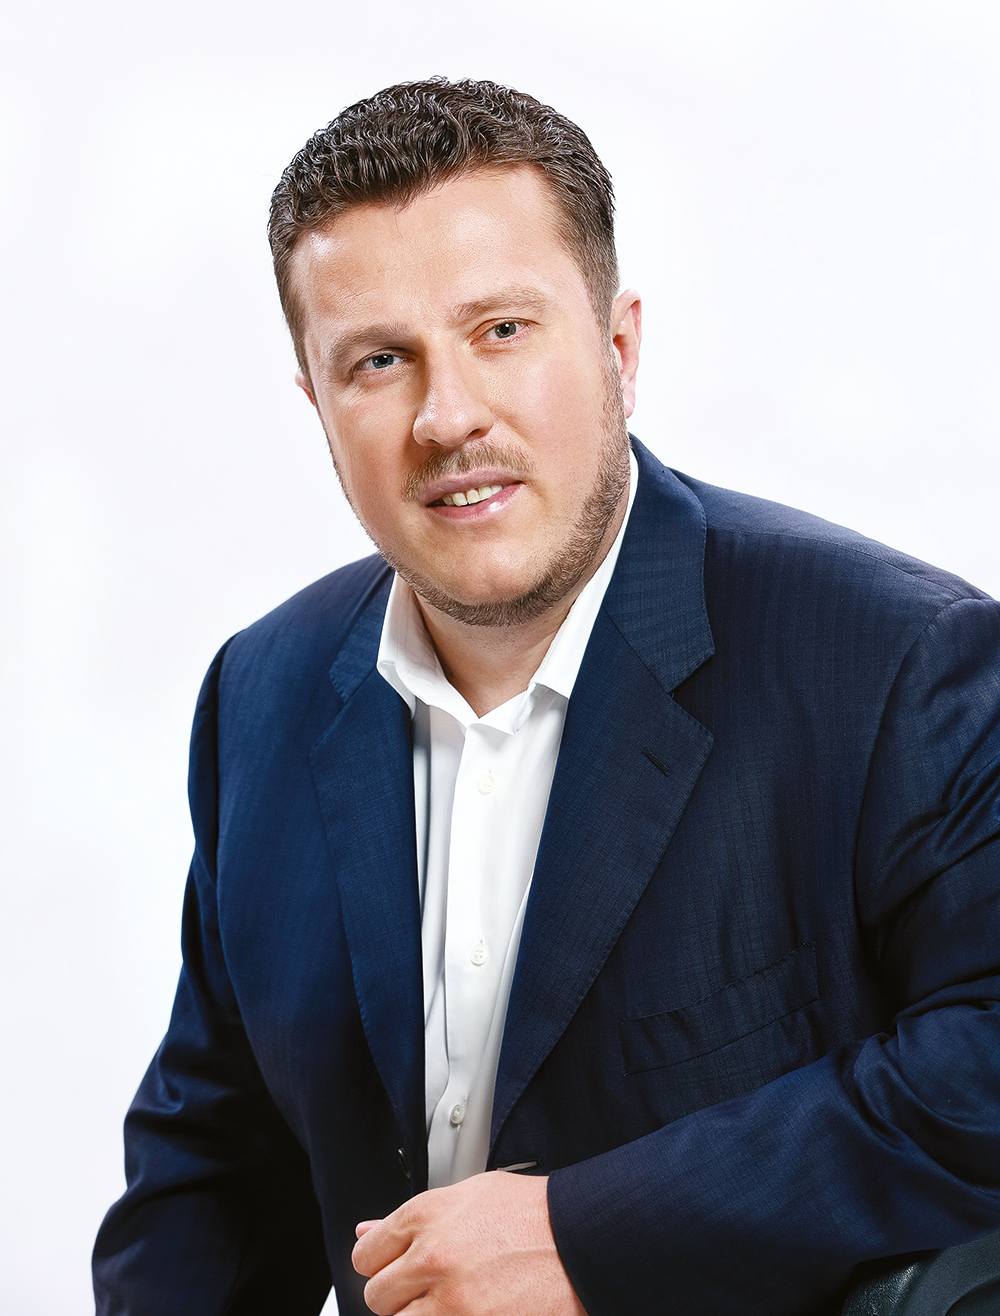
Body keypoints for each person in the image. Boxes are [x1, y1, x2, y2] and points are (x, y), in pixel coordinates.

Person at [93, 78, 1000, 1316]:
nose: (447, 416)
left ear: (619, 350)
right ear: (316, 402)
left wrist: (589, 1233)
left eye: (502, 330)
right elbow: (212, 1160)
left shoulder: (897, 661)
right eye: (378, 361)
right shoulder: (262, 691)